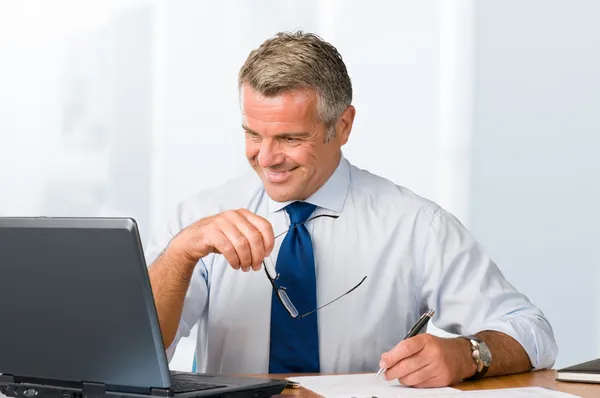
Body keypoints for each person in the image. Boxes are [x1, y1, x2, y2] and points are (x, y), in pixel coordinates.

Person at [145, 31, 557, 388]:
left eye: (289, 138)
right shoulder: (199, 219)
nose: (266, 158)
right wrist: (182, 253)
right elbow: (139, 352)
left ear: (342, 126)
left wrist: (467, 355)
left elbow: (532, 332)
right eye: (253, 134)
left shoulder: (414, 225)